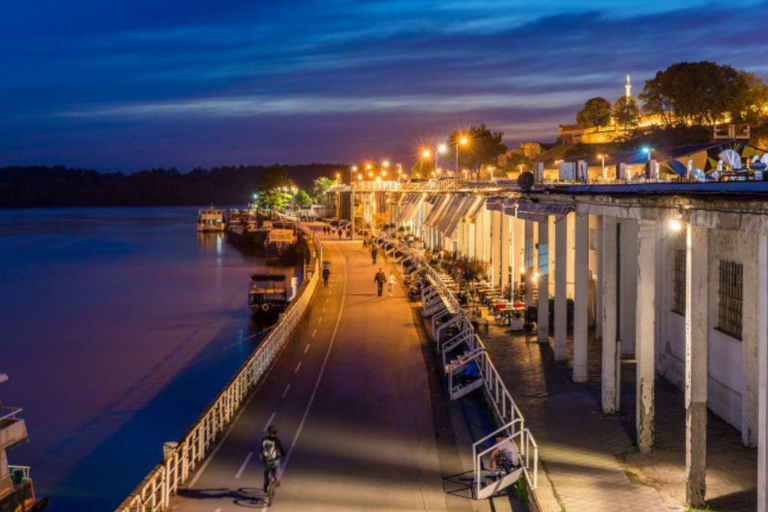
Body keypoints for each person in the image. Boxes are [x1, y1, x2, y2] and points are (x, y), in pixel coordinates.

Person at [261, 425, 285, 492]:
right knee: (277, 467)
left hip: (267, 460)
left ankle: (266, 484)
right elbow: (281, 449)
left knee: (266, 472)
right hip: (275, 460)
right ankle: (276, 479)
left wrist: (262, 457)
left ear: (268, 432)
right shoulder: (277, 440)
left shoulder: (264, 440)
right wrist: (283, 454)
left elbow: (261, 450)